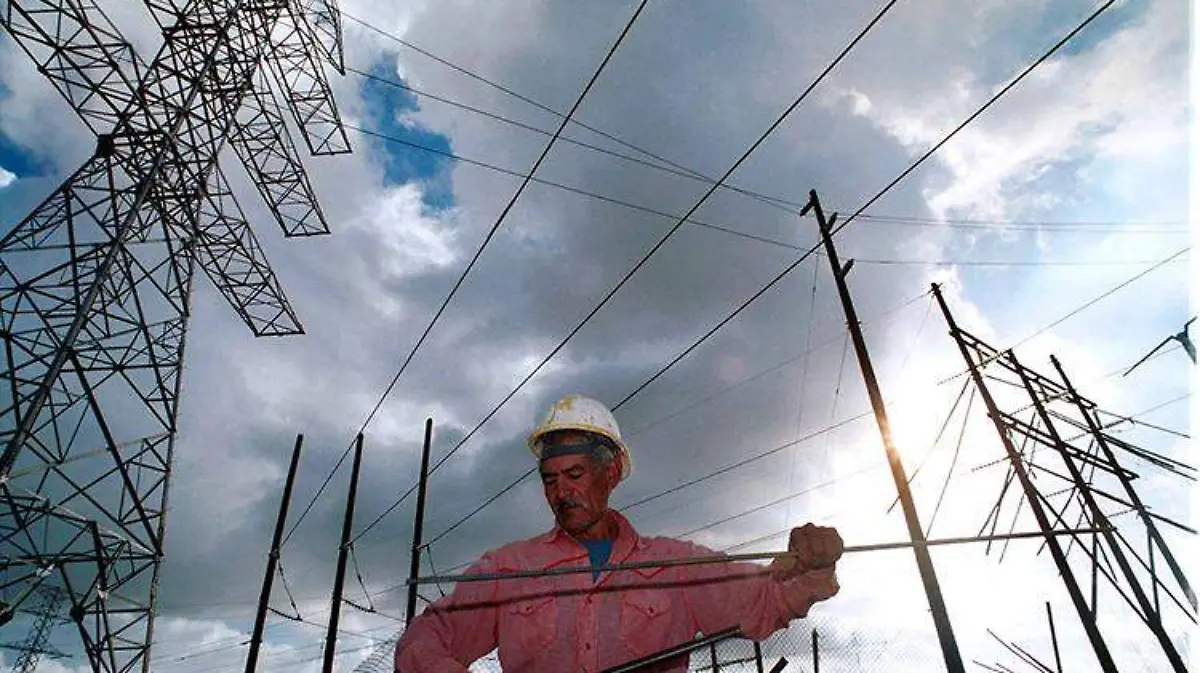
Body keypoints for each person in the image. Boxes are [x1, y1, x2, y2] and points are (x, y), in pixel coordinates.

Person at [396, 394, 843, 672]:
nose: (561, 492)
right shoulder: (508, 569)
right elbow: (424, 640)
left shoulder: (676, 566)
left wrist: (813, 564)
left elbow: (765, 602)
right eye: (550, 479)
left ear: (610, 473)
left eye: (575, 475)